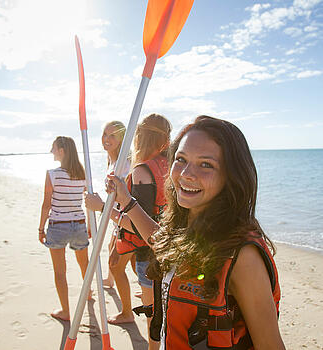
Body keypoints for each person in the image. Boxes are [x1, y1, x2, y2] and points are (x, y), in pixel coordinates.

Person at [105, 116, 286, 349]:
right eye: (180, 159)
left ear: (231, 176)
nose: (187, 173)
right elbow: (161, 241)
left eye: (206, 164)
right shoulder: (187, 228)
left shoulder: (242, 257)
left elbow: (270, 345)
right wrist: (127, 201)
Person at [86, 114, 171, 350]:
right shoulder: (172, 165)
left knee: (153, 315)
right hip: (168, 246)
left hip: (149, 250)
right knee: (160, 306)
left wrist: (103, 207)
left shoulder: (143, 170)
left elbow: (138, 225)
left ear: (139, 137)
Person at [38, 136, 90, 322]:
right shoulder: (82, 173)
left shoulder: (52, 174)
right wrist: (90, 226)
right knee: (85, 264)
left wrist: (40, 229)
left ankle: (66, 311)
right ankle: (88, 293)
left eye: (53, 148)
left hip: (58, 225)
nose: (51, 151)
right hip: (79, 224)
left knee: (60, 272)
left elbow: (46, 205)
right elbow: (88, 201)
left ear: (62, 150)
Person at [100, 120, 132, 288]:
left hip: (124, 219)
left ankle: (128, 311)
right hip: (115, 218)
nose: (107, 138)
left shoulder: (124, 164)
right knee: (111, 248)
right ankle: (109, 280)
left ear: (121, 139)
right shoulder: (111, 161)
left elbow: (127, 193)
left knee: (119, 260)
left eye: (112, 135)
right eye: (105, 134)